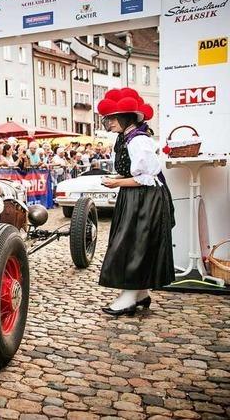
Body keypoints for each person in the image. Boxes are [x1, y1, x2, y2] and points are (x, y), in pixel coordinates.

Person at [97, 87, 174, 317]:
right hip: (137, 198)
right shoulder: (127, 137)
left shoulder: (138, 140)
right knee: (133, 243)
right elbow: (134, 172)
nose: (108, 123)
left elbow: (147, 178)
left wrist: (117, 184)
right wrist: (117, 179)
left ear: (124, 118)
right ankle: (140, 293)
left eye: (111, 118)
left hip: (145, 199)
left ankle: (129, 296)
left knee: (131, 245)